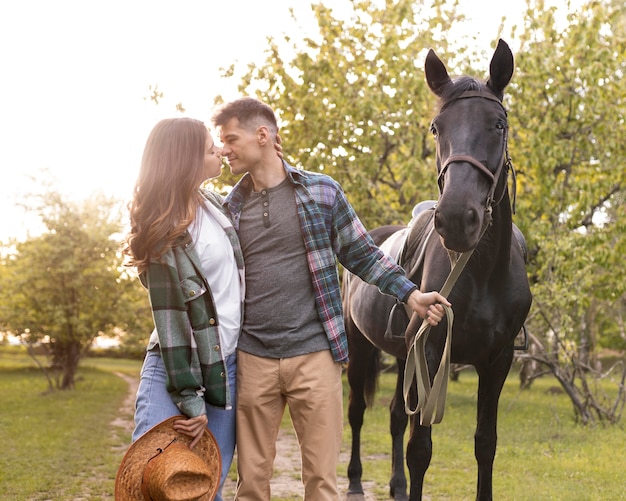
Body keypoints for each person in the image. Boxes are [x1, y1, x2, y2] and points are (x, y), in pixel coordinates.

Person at [212, 97, 450, 500]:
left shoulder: (322, 192)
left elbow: (362, 254)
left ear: (263, 135)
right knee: (251, 483)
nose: (223, 149)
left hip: (315, 359)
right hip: (253, 358)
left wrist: (410, 295)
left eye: (230, 139)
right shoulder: (226, 209)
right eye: (219, 142)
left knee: (321, 484)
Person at [122, 117, 245, 501]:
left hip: (223, 368)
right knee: (158, 481)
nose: (221, 151)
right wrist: (190, 400)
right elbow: (172, 322)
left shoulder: (212, 204)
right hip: (177, 370)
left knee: (206, 486)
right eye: (211, 148)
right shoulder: (163, 229)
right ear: (184, 159)